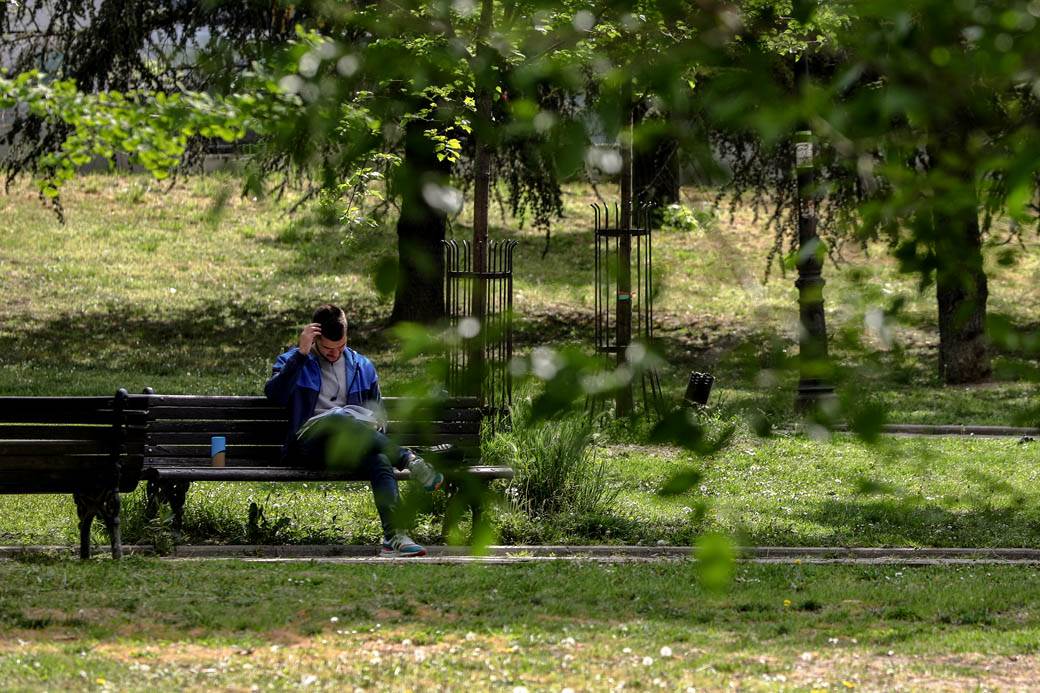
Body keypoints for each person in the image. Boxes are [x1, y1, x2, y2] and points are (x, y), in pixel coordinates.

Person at [264, 304, 443, 557]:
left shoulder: (362, 365)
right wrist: (301, 355)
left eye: (341, 347)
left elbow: (380, 417)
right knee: (338, 417)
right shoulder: (293, 359)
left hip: (348, 444)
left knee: (380, 459)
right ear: (314, 338)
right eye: (328, 348)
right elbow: (275, 396)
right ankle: (408, 459)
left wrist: (374, 424)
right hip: (308, 446)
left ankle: (394, 537)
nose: (335, 354)